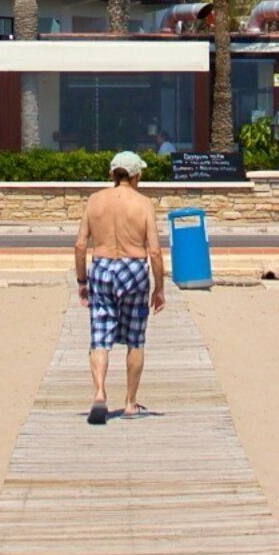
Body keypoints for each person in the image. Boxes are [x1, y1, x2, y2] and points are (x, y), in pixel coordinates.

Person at [74, 151, 165, 425]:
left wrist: (81, 281)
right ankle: (129, 402)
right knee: (135, 338)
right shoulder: (144, 204)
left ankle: (100, 392)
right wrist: (159, 288)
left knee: (100, 336)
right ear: (136, 175)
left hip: (102, 266)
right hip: (134, 268)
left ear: (112, 174)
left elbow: (80, 245)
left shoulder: (95, 201)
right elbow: (156, 251)